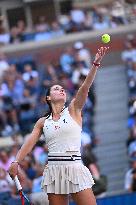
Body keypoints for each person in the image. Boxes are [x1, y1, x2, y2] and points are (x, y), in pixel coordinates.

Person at [8, 46, 109, 205]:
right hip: (54, 171)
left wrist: (95, 64)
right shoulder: (42, 122)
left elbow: (85, 87)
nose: (61, 90)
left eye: (62, 89)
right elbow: (29, 143)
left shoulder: (74, 109)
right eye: (56, 89)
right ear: (48, 97)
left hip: (75, 167)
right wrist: (16, 162)